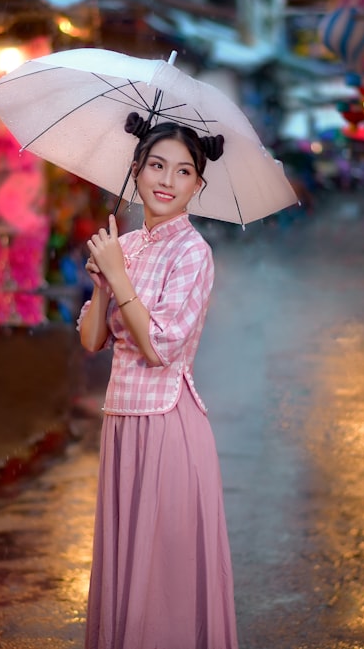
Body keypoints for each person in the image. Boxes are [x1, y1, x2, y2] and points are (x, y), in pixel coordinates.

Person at [77, 111, 238, 649]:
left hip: (168, 426)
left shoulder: (194, 253)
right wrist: (103, 281)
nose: (167, 181)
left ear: (198, 183)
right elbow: (93, 341)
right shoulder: (127, 245)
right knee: (127, 562)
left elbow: (159, 346)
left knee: (162, 574)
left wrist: (119, 276)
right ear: (137, 169)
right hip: (122, 424)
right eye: (157, 166)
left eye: (184, 171)